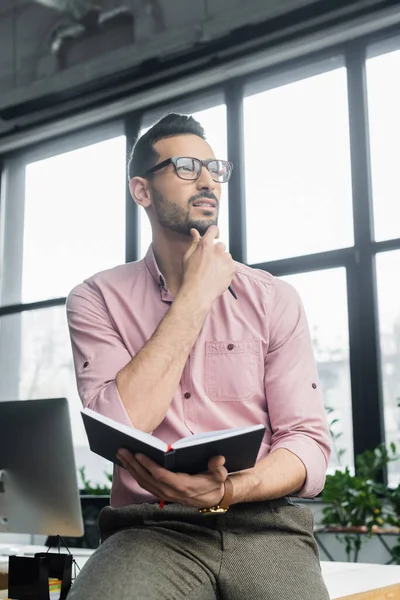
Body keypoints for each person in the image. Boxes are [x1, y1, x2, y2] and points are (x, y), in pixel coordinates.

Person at [66, 113, 331, 600]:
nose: (208, 180)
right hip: (150, 527)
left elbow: (308, 442)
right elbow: (121, 424)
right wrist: (192, 299)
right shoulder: (95, 298)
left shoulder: (274, 299)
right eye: (187, 167)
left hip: (265, 525)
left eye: (215, 168)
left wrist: (230, 490)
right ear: (141, 190)